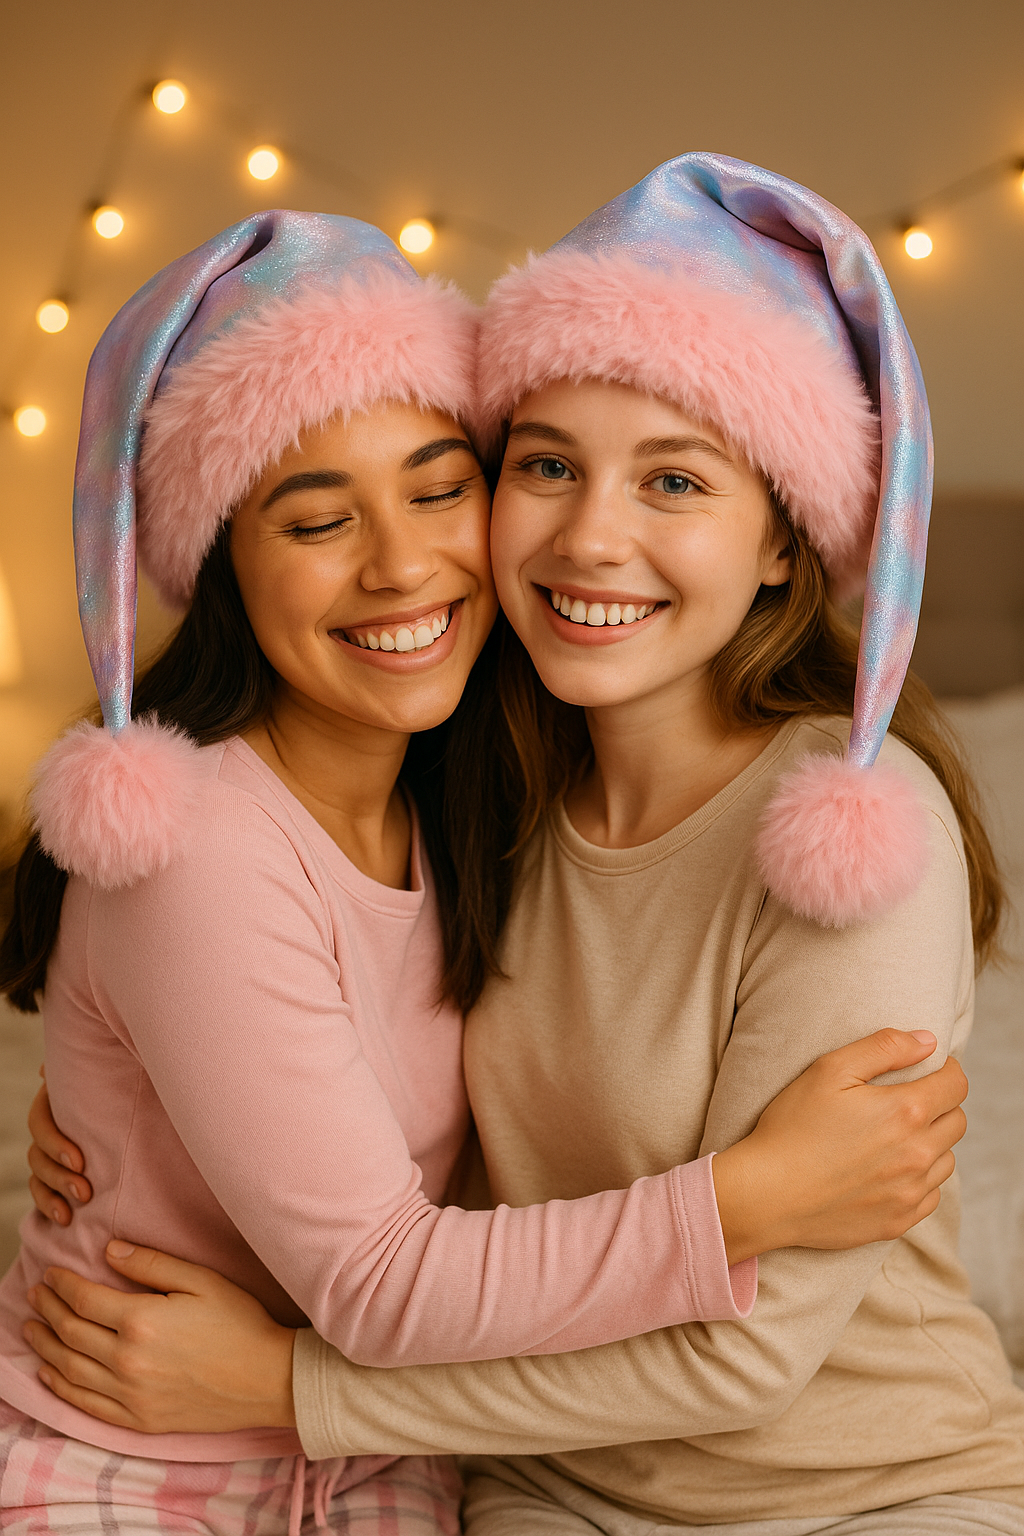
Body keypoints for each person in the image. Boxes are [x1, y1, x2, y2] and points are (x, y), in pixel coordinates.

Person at [0, 201, 971, 1536]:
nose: (588, 542)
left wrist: (287, 1378)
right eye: (550, 466)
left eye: (676, 481)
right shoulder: (462, 790)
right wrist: (748, 1199)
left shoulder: (554, 792)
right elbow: (382, 1238)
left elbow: (739, 1353)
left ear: (784, 541)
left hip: (824, 1489)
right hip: (447, 1471)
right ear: (224, 560)